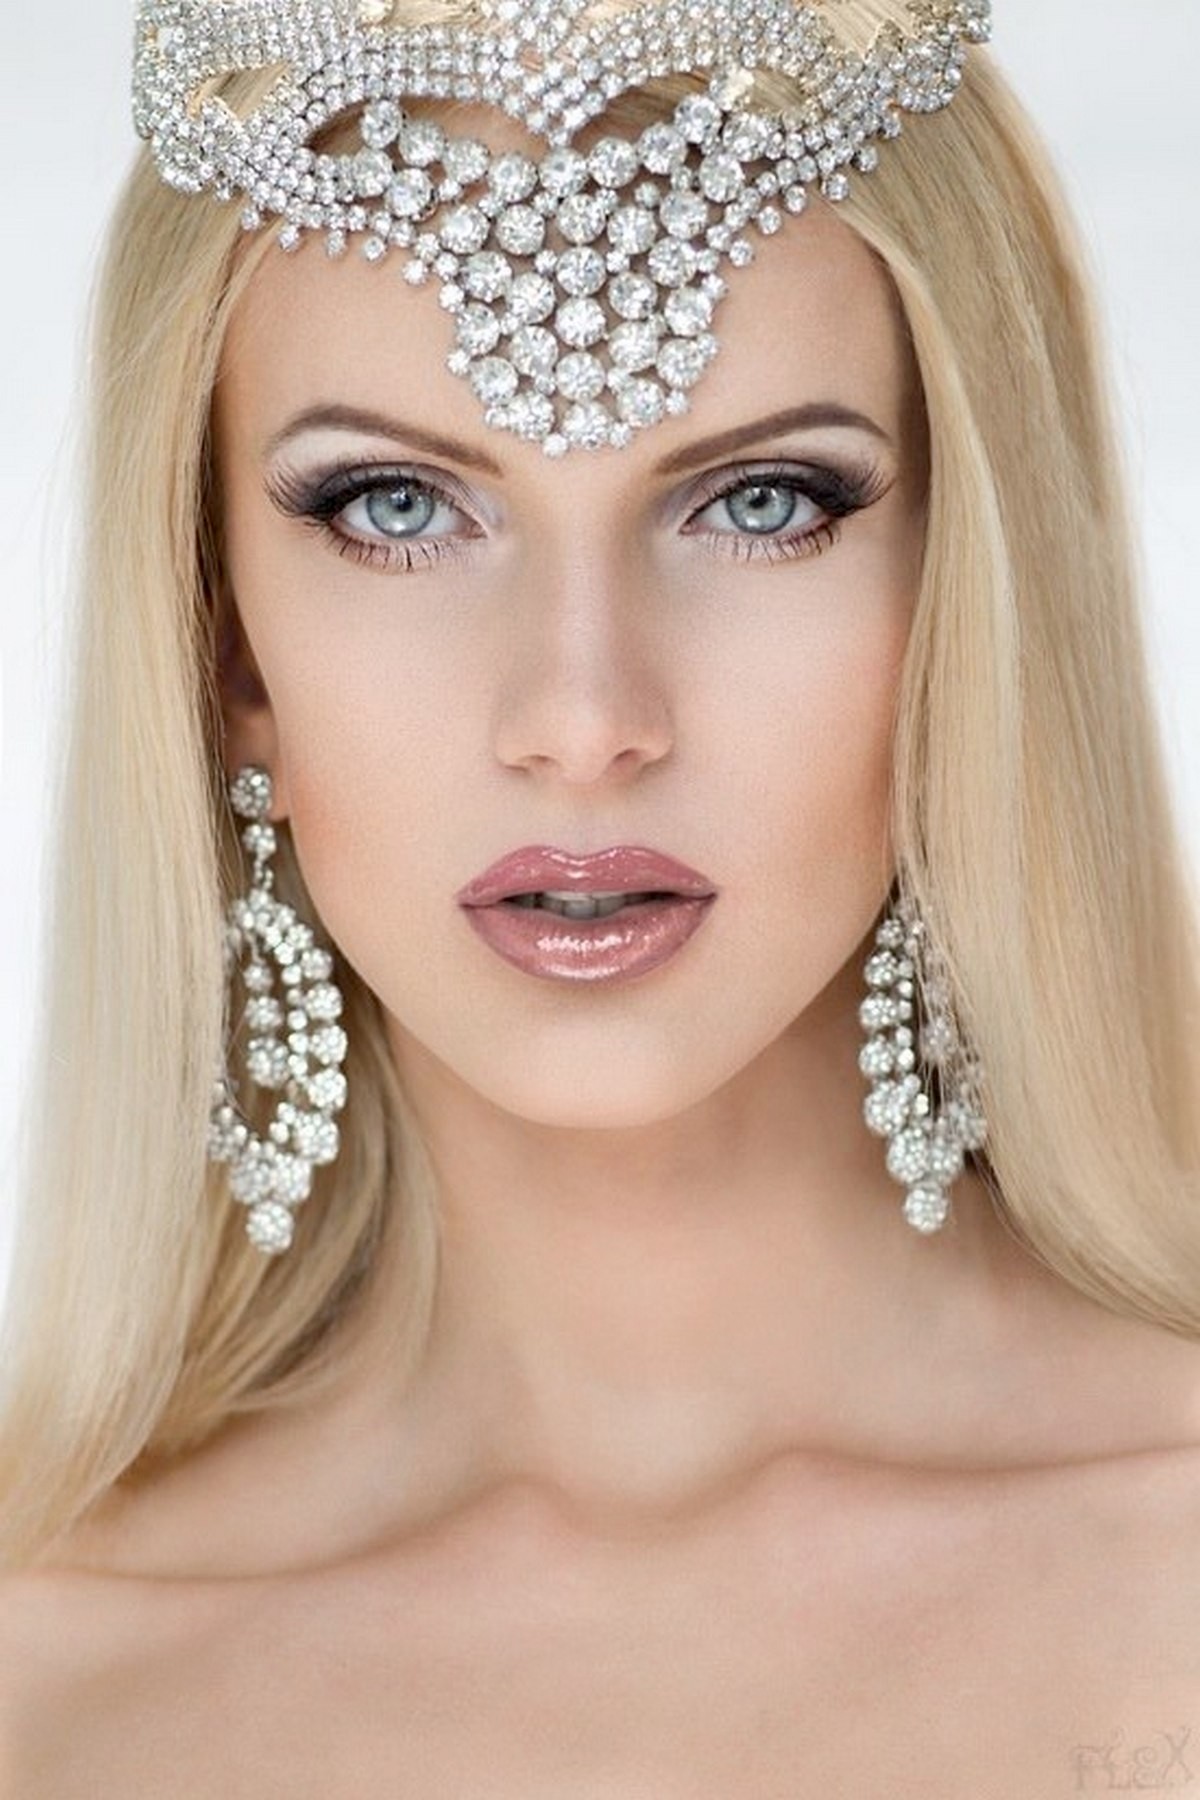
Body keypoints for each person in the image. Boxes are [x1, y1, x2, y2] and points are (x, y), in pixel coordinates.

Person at [2, 0, 1199, 1787]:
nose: (582, 720)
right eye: (396, 508)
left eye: (764, 502)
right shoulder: (49, 1685)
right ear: (224, 649)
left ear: (971, 594)